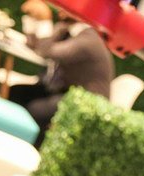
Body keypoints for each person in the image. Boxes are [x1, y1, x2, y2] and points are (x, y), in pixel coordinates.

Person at [8, 0, 114, 146]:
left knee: (35, 109)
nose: (62, 7)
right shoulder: (65, 30)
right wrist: (32, 19)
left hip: (85, 101)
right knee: (17, 92)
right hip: (65, 91)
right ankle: (10, 136)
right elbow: (37, 45)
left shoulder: (88, 39)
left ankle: (30, 148)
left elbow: (48, 51)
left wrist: (45, 20)